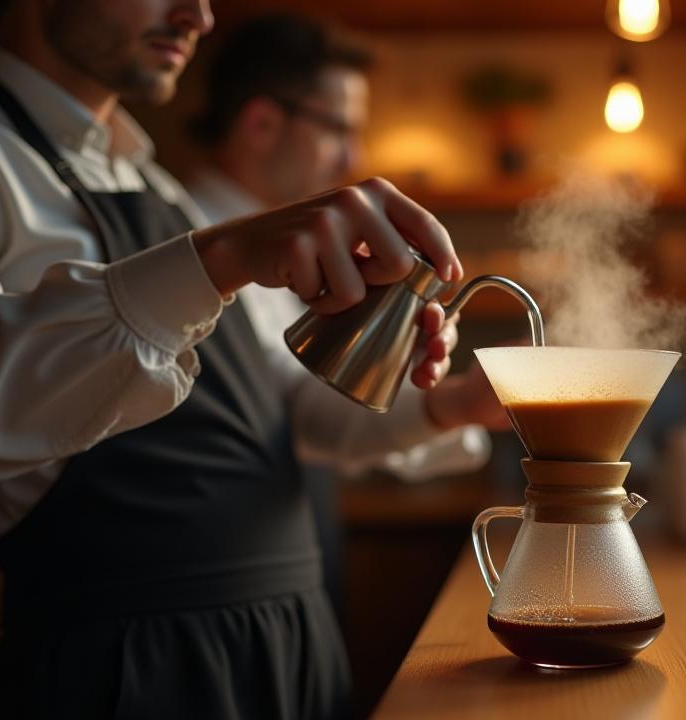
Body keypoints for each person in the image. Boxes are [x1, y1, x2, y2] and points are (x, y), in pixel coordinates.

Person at [0, 1, 504, 717]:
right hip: (131, 668)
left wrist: (460, 402)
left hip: (290, 645)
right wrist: (222, 256)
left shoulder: (155, 187)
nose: (198, 14)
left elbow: (278, 412)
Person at [184, 14, 497, 607]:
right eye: (339, 129)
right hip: (208, 599)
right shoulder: (181, 247)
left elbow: (301, 407)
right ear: (261, 123)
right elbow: (299, 417)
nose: (353, 155)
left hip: (287, 572)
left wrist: (460, 402)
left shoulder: (280, 253)